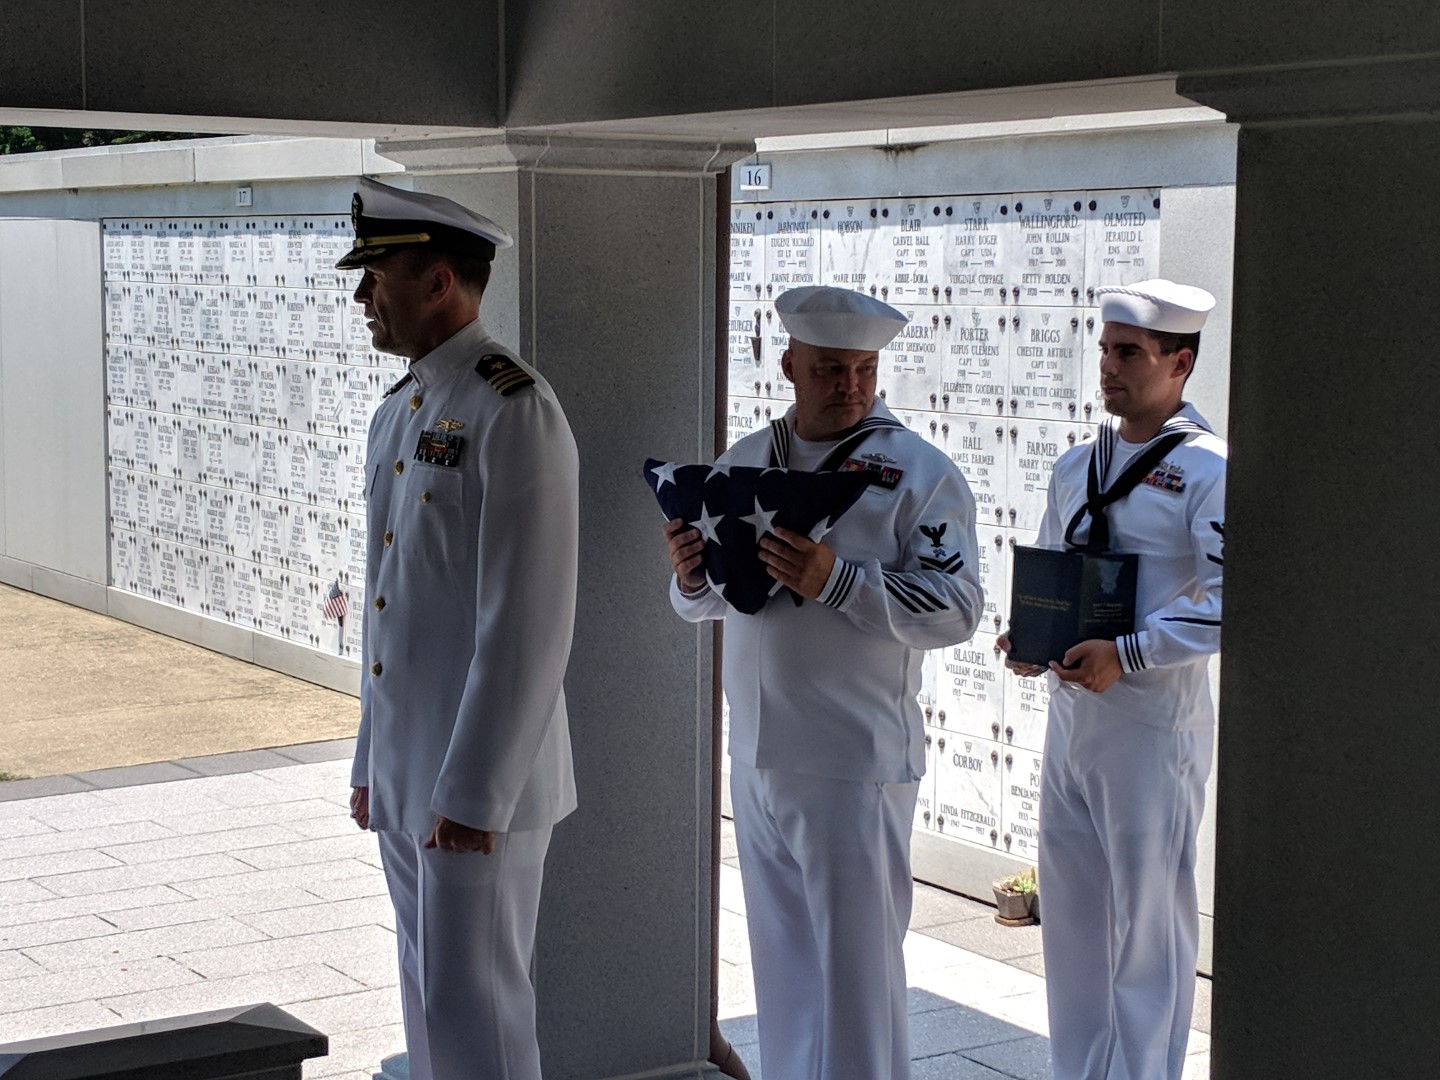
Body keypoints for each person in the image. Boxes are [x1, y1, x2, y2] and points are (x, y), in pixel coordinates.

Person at [662, 285, 984, 1080]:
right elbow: (703, 605)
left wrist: (840, 580)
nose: (850, 384)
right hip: (760, 760)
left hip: (853, 762)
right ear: (790, 366)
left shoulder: (916, 472)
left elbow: (957, 607)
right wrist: (690, 578)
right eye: (831, 368)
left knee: (857, 985)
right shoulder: (744, 461)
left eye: (864, 368)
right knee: (786, 982)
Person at [340, 177, 579, 1080]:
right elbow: (389, 607)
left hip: (481, 785)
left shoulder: (512, 409)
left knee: (481, 1012)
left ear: (439, 281)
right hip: (413, 770)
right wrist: (375, 759)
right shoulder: (400, 411)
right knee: (430, 999)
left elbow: (526, 622)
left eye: (378, 275)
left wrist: (475, 792)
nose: (364, 296)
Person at [1001, 279, 1226, 1080]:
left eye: (1129, 352)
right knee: (1072, 923)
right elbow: (1051, 573)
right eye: (1104, 348)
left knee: (1146, 930)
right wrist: (1029, 641)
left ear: (1180, 362)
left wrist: (1128, 653)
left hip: (1149, 727)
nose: (1109, 366)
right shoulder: (1076, 464)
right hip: (1071, 724)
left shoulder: (1208, 472)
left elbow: (1237, 598)